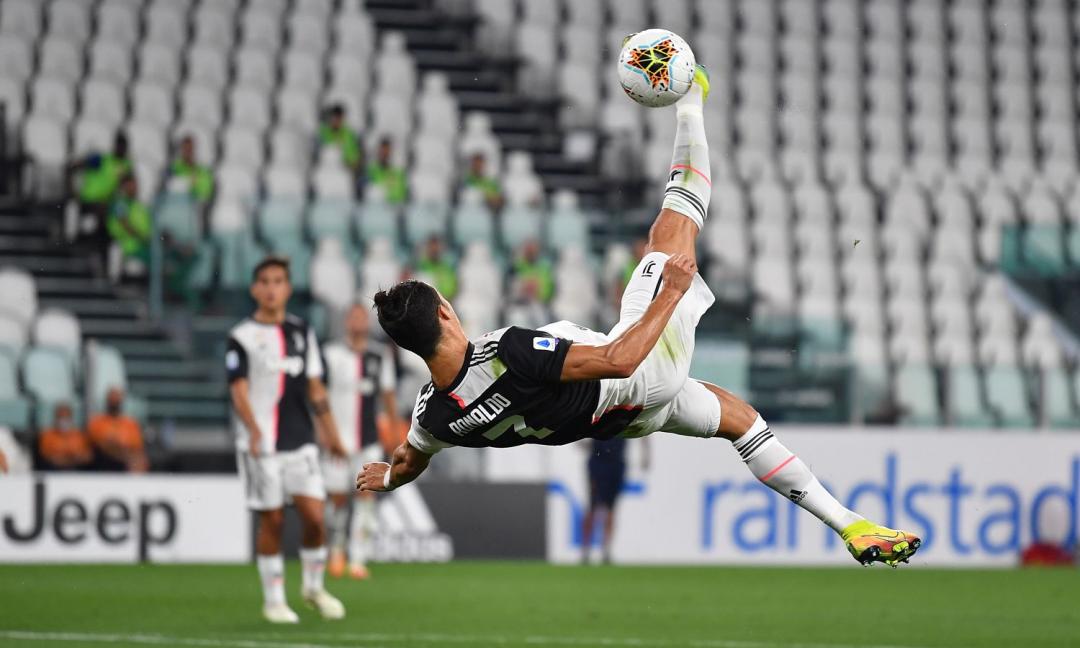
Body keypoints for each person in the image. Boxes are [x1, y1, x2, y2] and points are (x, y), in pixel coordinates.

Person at [357, 65, 921, 568]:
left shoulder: (432, 417)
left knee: (740, 421)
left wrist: (386, 477)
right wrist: (671, 291)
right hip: (634, 374)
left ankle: (851, 525)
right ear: (449, 314)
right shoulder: (505, 351)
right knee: (670, 232)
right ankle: (691, 95)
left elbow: (410, 458)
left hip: (625, 420)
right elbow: (617, 358)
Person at [227, 256, 347, 624]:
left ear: (288, 288)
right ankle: (274, 599)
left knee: (315, 517)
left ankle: (313, 587)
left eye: (278, 281)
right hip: (261, 445)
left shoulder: (302, 332)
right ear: (254, 289)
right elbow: (238, 390)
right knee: (274, 520)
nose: (271, 288)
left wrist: (332, 435)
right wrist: (254, 428)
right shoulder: (242, 337)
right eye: (264, 281)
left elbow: (314, 387)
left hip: (301, 441)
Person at [321, 304, 401, 580]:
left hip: (368, 439)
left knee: (365, 497)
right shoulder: (330, 354)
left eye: (361, 316)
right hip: (336, 441)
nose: (357, 321)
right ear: (346, 321)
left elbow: (388, 396)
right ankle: (336, 551)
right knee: (338, 498)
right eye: (352, 315)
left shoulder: (379, 355)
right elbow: (318, 397)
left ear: (367, 322)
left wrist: (394, 431)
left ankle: (358, 558)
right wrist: (326, 435)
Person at [580, 436, 647, 565]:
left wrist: (645, 452)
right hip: (597, 460)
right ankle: (586, 550)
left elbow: (643, 424)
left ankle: (606, 551)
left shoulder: (626, 415)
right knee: (592, 506)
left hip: (616, 462)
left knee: (611, 508)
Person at [88, 387, 149, 473]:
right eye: (112, 399)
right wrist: (125, 455)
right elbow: (102, 446)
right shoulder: (97, 422)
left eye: (117, 399)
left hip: (127, 464)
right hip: (105, 464)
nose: (114, 402)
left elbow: (137, 448)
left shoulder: (131, 424)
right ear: (107, 401)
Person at [106, 173, 152, 271]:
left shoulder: (138, 205)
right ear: (124, 186)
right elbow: (124, 223)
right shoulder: (120, 203)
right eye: (132, 185)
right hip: (129, 247)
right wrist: (143, 238)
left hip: (143, 245)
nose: (135, 188)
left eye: (136, 185)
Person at [38, 403, 93, 471]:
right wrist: (65, 459)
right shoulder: (47, 436)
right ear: (55, 418)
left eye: (66, 417)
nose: (63, 420)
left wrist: (74, 458)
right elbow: (46, 457)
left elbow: (88, 457)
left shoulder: (79, 435)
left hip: (78, 472)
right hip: (54, 472)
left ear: (71, 418)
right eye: (61, 417)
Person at [168, 134, 214, 203]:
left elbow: (206, 191)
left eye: (190, 148)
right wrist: (189, 181)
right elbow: (170, 187)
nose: (188, 152)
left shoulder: (203, 170)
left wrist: (195, 183)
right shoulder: (173, 168)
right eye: (185, 148)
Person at [319, 104, 362, 172]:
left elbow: (354, 159)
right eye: (334, 117)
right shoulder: (323, 133)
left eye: (339, 117)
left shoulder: (348, 135)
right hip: (325, 169)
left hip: (343, 170)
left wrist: (348, 163)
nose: (336, 120)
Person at [366, 137, 408, 204]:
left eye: (387, 150)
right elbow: (374, 183)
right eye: (383, 149)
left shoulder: (397, 169)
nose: (385, 152)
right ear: (379, 150)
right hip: (378, 202)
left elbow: (401, 186)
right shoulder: (372, 168)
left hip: (396, 201)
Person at [512, 239, 554, 304]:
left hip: (540, 304)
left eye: (533, 250)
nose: (531, 252)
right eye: (528, 249)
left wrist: (538, 290)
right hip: (519, 305)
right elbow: (510, 291)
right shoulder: (515, 268)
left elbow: (549, 291)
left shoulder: (545, 268)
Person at [416, 236, 457, 300]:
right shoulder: (420, 267)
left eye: (437, 248)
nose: (434, 250)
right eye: (432, 248)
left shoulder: (447, 268)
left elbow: (452, 289)